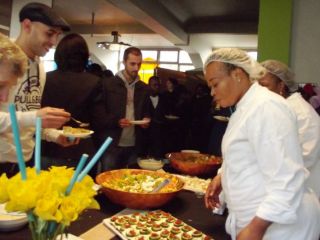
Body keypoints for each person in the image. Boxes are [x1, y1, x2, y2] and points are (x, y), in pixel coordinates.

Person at [203, 48, 320, 240]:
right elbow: (250, 157)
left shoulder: (267, 106)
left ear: (238, 74)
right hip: (260, 219)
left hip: (280, 227)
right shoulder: (246, 108)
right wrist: (222, 178)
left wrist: (256, 228)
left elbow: (287, 177)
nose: (212, 92)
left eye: (215, 84)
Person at [0, 3, 73, 175]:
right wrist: (34, 117)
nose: (54, 42)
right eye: (49, 33)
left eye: (57, 35)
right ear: (27, 25)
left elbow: (28, 118)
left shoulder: (40, 67)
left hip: (25, 161)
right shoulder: (3, 60)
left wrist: (54, 135)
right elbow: (29, 117)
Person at [41, 33, 108, 176]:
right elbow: (99, 121)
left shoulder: (45, 78)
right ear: (84, 56)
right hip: (80, 151)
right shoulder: (94, 82)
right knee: (80, 196)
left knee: (45, 194)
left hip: (46, 148)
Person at [259, 59, 320, 198]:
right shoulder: (276, 108)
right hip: (279, 189)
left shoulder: (303, 114)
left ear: (281, 85)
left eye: (264, 85)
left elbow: (306, 157)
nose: (259, 91)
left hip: (301, 191)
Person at [99, 47, 150, 170]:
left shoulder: (144, 88)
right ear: (124, 62)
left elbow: (147, 110)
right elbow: (99, 114)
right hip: (111, 143)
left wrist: (146, 119)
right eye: (132, 64)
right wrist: (116, 121)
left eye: (139, 64)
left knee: (130, 183)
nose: (136, 68)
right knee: (108, 180)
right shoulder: (108, 84)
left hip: (135, 143)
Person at [142, 76, 167, 158]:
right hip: (145, 133)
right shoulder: (143, 98)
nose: (157, 87)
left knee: (157, 156)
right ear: (149, 85)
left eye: (158, 85)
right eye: (154, 85)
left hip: (159, 133)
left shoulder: (163, 98)